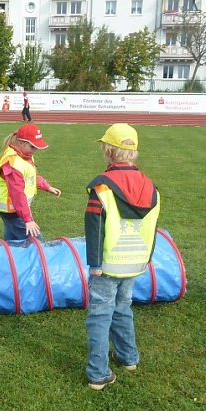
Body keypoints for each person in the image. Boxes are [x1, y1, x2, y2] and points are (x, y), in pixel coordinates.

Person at [84, 123, 161, 390]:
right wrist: (145, 260)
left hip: (106, 263)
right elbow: (152, 227)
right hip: (135, 261)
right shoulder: (151, 186)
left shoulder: (103, 186)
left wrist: (94, 263)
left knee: (100, 315)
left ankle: (98, 372)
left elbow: (94, 226)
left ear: (108, 151)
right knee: (123, 307)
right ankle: (128, 357)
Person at [0, 123, 61, 241]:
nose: (35, 151)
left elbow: (31, 176)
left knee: (12, 239)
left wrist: (47, 187)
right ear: (21, 143)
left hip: (14, 209)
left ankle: (8, 256)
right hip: (13, 210)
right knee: (36, 241)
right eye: (33, 147)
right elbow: (17, 193)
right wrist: (28, 220)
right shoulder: (13, 163)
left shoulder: (25, 155)